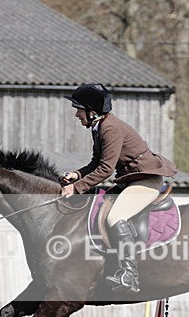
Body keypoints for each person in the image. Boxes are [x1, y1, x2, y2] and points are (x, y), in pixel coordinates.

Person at [61, 83, 177, 293]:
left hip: (146, 180)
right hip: (130, 180)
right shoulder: (99, 127)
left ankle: (129, 275)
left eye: (79, 109)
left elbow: (106, 169)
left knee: (115, 218)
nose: (77, 114)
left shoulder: (110, 128)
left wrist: (76, 188)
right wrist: (77, 174)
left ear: (92, 112)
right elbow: (97, 161)